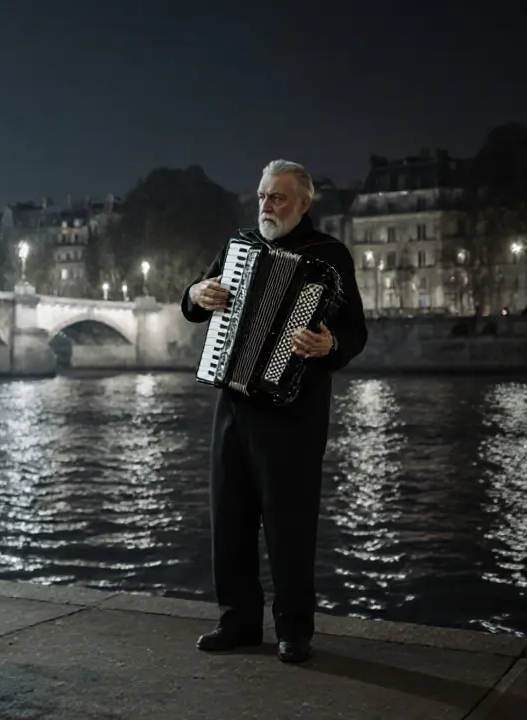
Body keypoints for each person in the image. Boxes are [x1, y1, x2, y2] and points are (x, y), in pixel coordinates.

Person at [181, 159, 368, 664]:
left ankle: (294, 630)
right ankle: (237, 621)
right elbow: (196, 298)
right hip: (234, 403)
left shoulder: (329, 256)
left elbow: (356, 332)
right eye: (262, 196)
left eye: (278, 198)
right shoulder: (239, 246)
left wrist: (330, 342)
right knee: (229, 518)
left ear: (303, 204)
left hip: (295, 413)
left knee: (290, 524)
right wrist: (196, 293)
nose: (266, 205)